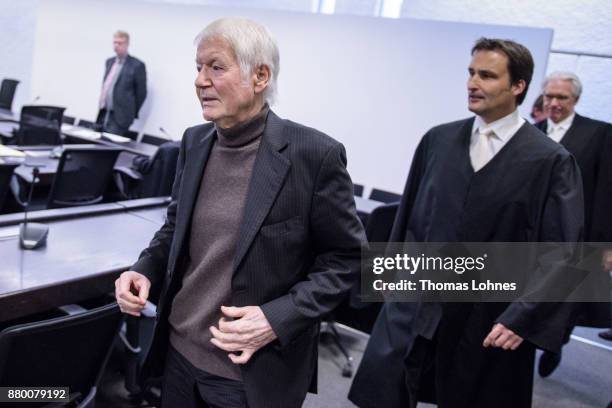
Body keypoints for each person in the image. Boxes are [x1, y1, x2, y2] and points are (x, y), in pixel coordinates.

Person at [114, 17, 365, 408]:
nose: (200, 80)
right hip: (179, 356)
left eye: (216, 67)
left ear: (260, 76)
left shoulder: (313, 156)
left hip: (249, 375)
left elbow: (348, 259)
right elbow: (176, 227)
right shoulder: (195, 141)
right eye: (198, 67)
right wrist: (143, 269)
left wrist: (277, 318)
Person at [349, 38, 583, 408]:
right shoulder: (438, 141)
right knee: (391, 390)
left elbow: (563, 252)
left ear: (518, 86)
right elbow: (408, 219)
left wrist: (523, 315)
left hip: (488, 315)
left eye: (487, 75)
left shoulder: (550, 161)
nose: (473, 83)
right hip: (415, 302)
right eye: (471, 73)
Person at [535, 71, 612, 376]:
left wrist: (607, 246)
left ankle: (556, 343)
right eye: (549, 96)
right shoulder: (531, 132)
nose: (554, 103)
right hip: (537, 236)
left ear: (575, 100)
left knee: (568, 299)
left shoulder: (599, 134)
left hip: (580, 234)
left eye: (562, 97)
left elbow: (607, 190)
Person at [97, 30, 147, 135]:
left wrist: (130, 113)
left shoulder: (137, 65)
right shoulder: (109, 62)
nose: (116, 45)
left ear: (127, 44)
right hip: (104, 113)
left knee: (110, 147)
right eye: (115, 42)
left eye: (120, 43)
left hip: (120, 117)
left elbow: (141, 94)